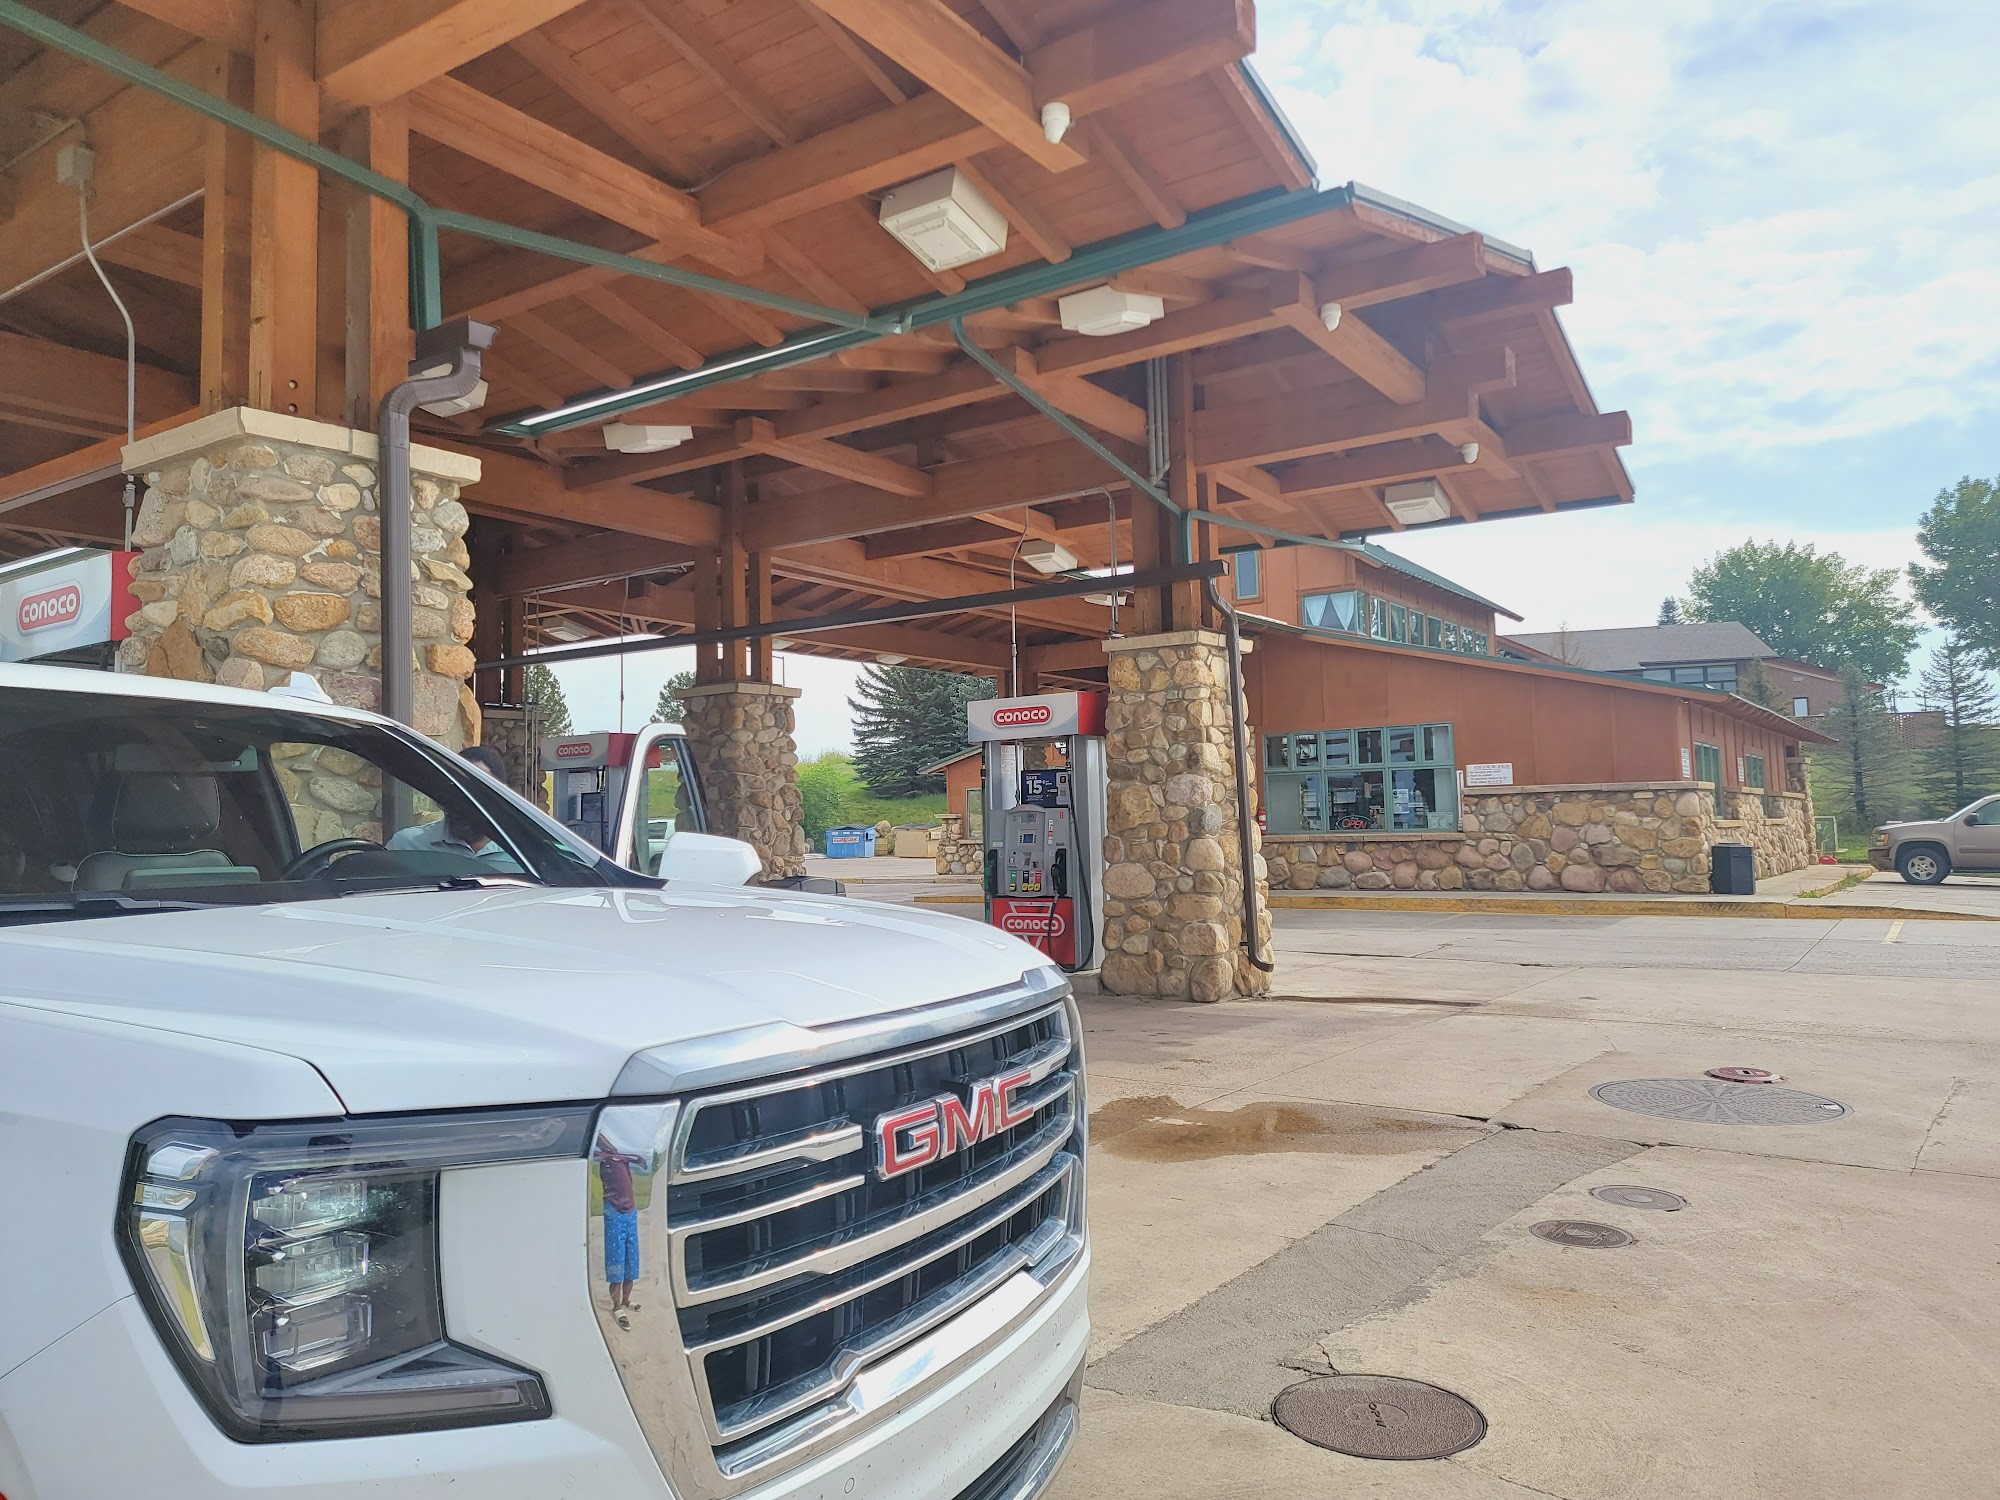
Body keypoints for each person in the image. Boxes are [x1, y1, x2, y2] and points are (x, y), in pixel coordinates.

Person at [386, 745, 518, 864]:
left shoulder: (523, 855)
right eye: (458, 786)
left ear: (500, 794)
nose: (466, 798)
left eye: (477, 788)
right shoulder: (406, 846)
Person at [595, 1133, 646, 1329]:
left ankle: (626, 1300)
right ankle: (616, 1306)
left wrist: (636, 1158)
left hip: (630, 1210)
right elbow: (599, 1148)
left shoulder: (621, 1157)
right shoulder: (603, 1158)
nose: (610, 1145)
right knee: (616, 1259)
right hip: (614, 1209)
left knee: (631, 1258)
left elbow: (636, 1159)